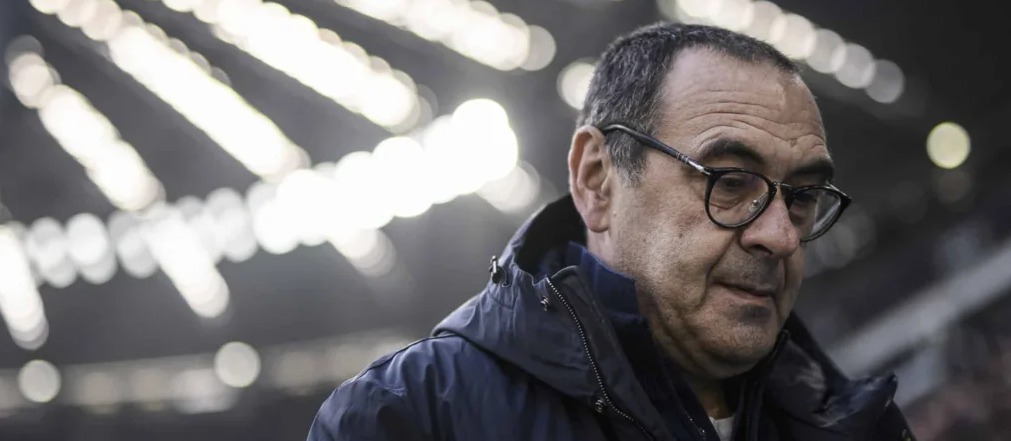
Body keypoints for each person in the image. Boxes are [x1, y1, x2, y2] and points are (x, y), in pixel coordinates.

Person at [307, 23, 915, 440]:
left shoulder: (863, 424)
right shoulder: (407, 418)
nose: (780, 237)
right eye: (730, 180)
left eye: (804, 196)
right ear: (597, 180)